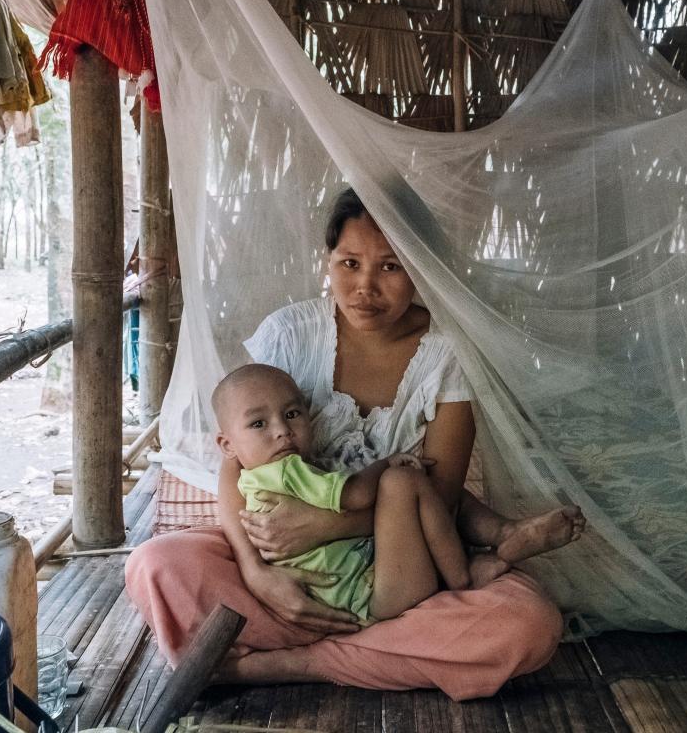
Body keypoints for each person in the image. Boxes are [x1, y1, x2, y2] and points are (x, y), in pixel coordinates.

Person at [126, 188, 577, 700]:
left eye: (390, 267)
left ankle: (282, 663)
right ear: (329, 260)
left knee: (529, 624)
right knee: (154, 564)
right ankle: (381, 651)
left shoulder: (447, 355)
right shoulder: (290, 332)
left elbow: (442, 498)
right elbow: (238, 459)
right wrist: (255, 574)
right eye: (350, 263)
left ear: (420, 269)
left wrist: (323, 524)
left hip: (396, 569)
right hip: (280, 572)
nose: (365, 287)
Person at [213, 364, 578, 632]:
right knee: (405, 479)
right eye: (258, 424)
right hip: (372, 596)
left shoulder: (259, 477)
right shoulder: (286, 470)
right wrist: (387, 464)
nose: (282, 431)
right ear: (226, 444)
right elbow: (356, 494)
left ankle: (496, 536)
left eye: (292, 414)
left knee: (416, 483)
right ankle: (462, 576)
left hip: (362, 584)